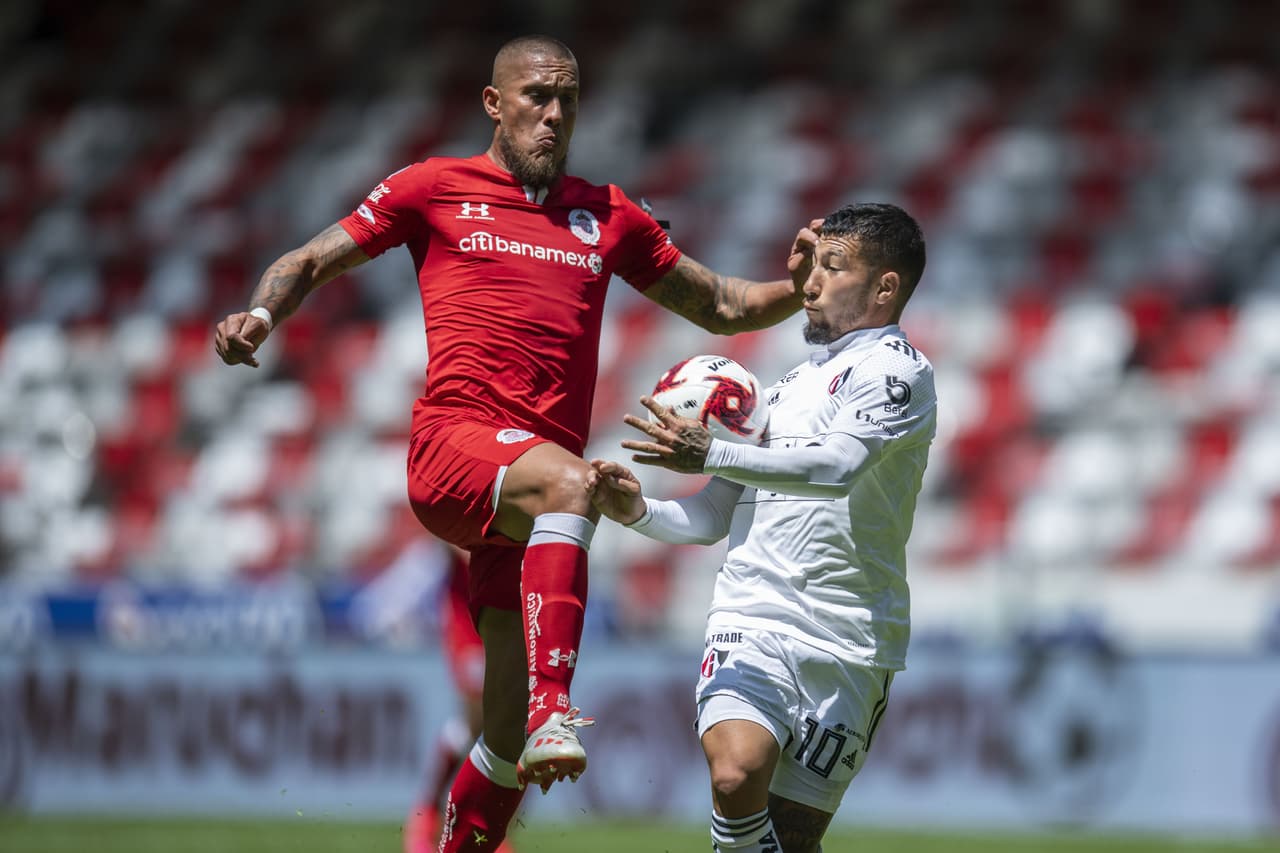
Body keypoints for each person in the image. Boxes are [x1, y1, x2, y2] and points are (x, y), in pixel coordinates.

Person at [214, 34, 818, 853]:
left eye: (568, 97)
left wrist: (802, 288)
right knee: (575, 485)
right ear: (495, 104)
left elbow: (721, 303)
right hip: (455, 448)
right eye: (537, 96)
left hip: (528, 505)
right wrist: (260, 313)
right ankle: (554, 707)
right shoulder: (434, 187)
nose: (555, 113)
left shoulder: (608, 214)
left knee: (498, 745)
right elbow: (314, 257)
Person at [587, 203, 935, 853]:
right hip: (753, 616)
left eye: (833, 267)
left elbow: (836, 467)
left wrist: (712, 451)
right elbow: (715, 515)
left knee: (791, 840)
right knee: (735, 772)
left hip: (851, 638)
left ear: (885, 287)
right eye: (813, 264)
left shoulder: (899, 371)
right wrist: (636, 511)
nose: (811, 282)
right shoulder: (780, 389)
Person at [403, 548, 517, 853]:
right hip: (468, 613)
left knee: (506, 727)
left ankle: (481, 823)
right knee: (477, 717)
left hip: (507, 611)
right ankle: (429, 811)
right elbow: (444, 532)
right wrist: (491, 545)